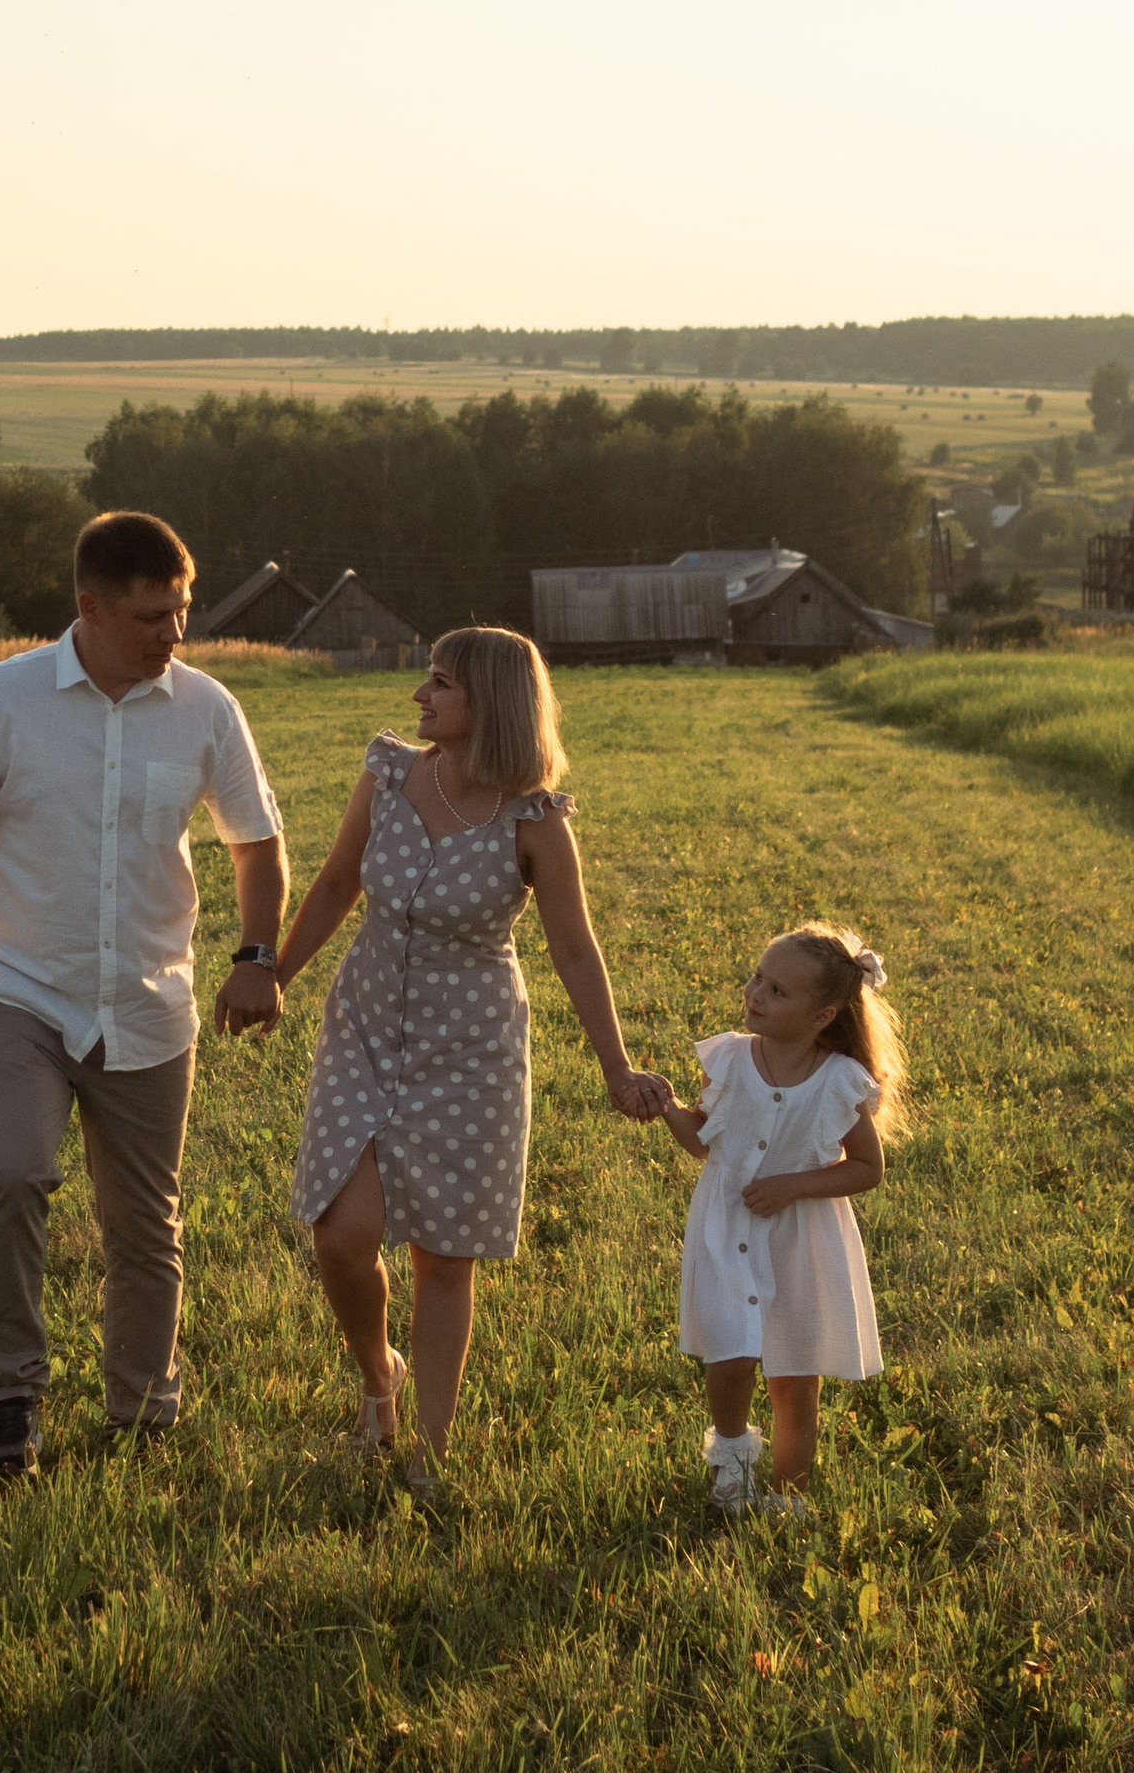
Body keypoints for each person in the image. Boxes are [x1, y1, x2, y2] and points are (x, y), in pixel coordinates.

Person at [0, 510, 286, 1482]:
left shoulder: (206, 708)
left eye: (182, 611)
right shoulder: (1, 700)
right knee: (14, 1172)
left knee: (145, 1222)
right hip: (19, 991)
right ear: (90, 608)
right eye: (152, 616)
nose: (173, 634)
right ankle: (9, 1397)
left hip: (150, 1003)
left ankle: (142, 1411)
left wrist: (256, 955)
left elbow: (257, 843)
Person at [281, 626, 670, 1492]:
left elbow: (575, 949)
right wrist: (273, 976)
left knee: (444, 1257)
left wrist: (616, 1066)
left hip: (471, 1050)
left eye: (440, 682)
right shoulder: (389, 774)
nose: (420, 696)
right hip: (364, 1027)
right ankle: (378, 1375)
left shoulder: (535, 820)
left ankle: (430, 1450)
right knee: (341, 1236)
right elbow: (337, 882)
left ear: (489, 703)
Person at [655, 924, 900, 1512]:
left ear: (821, 1017)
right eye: (757, 977)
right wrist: (668, 1107)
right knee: (729, 1359)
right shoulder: (729, 1059)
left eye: (777, 990)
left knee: (794, 1379)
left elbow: (867, 1169)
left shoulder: (839, 1081)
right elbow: (705, 1143)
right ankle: (732, 1468)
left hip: (801, 1243)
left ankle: (789, 1498)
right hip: (727, 1228)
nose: (755, 993)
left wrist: (794, 1185)